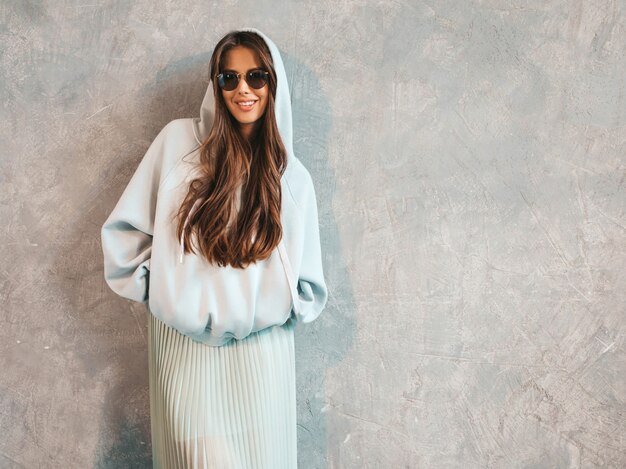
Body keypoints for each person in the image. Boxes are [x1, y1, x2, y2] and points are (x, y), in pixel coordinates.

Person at [101, 27, 328, 469]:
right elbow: (123, 238)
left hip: (261, 360)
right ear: (217, 84)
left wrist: (266, 304)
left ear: (273, 83)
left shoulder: (292, 179)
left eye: (256, 77)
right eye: (229, 78)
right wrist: (166, 293)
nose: (243, 89)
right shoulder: (177, 146)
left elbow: (308, 287)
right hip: (186, 354)